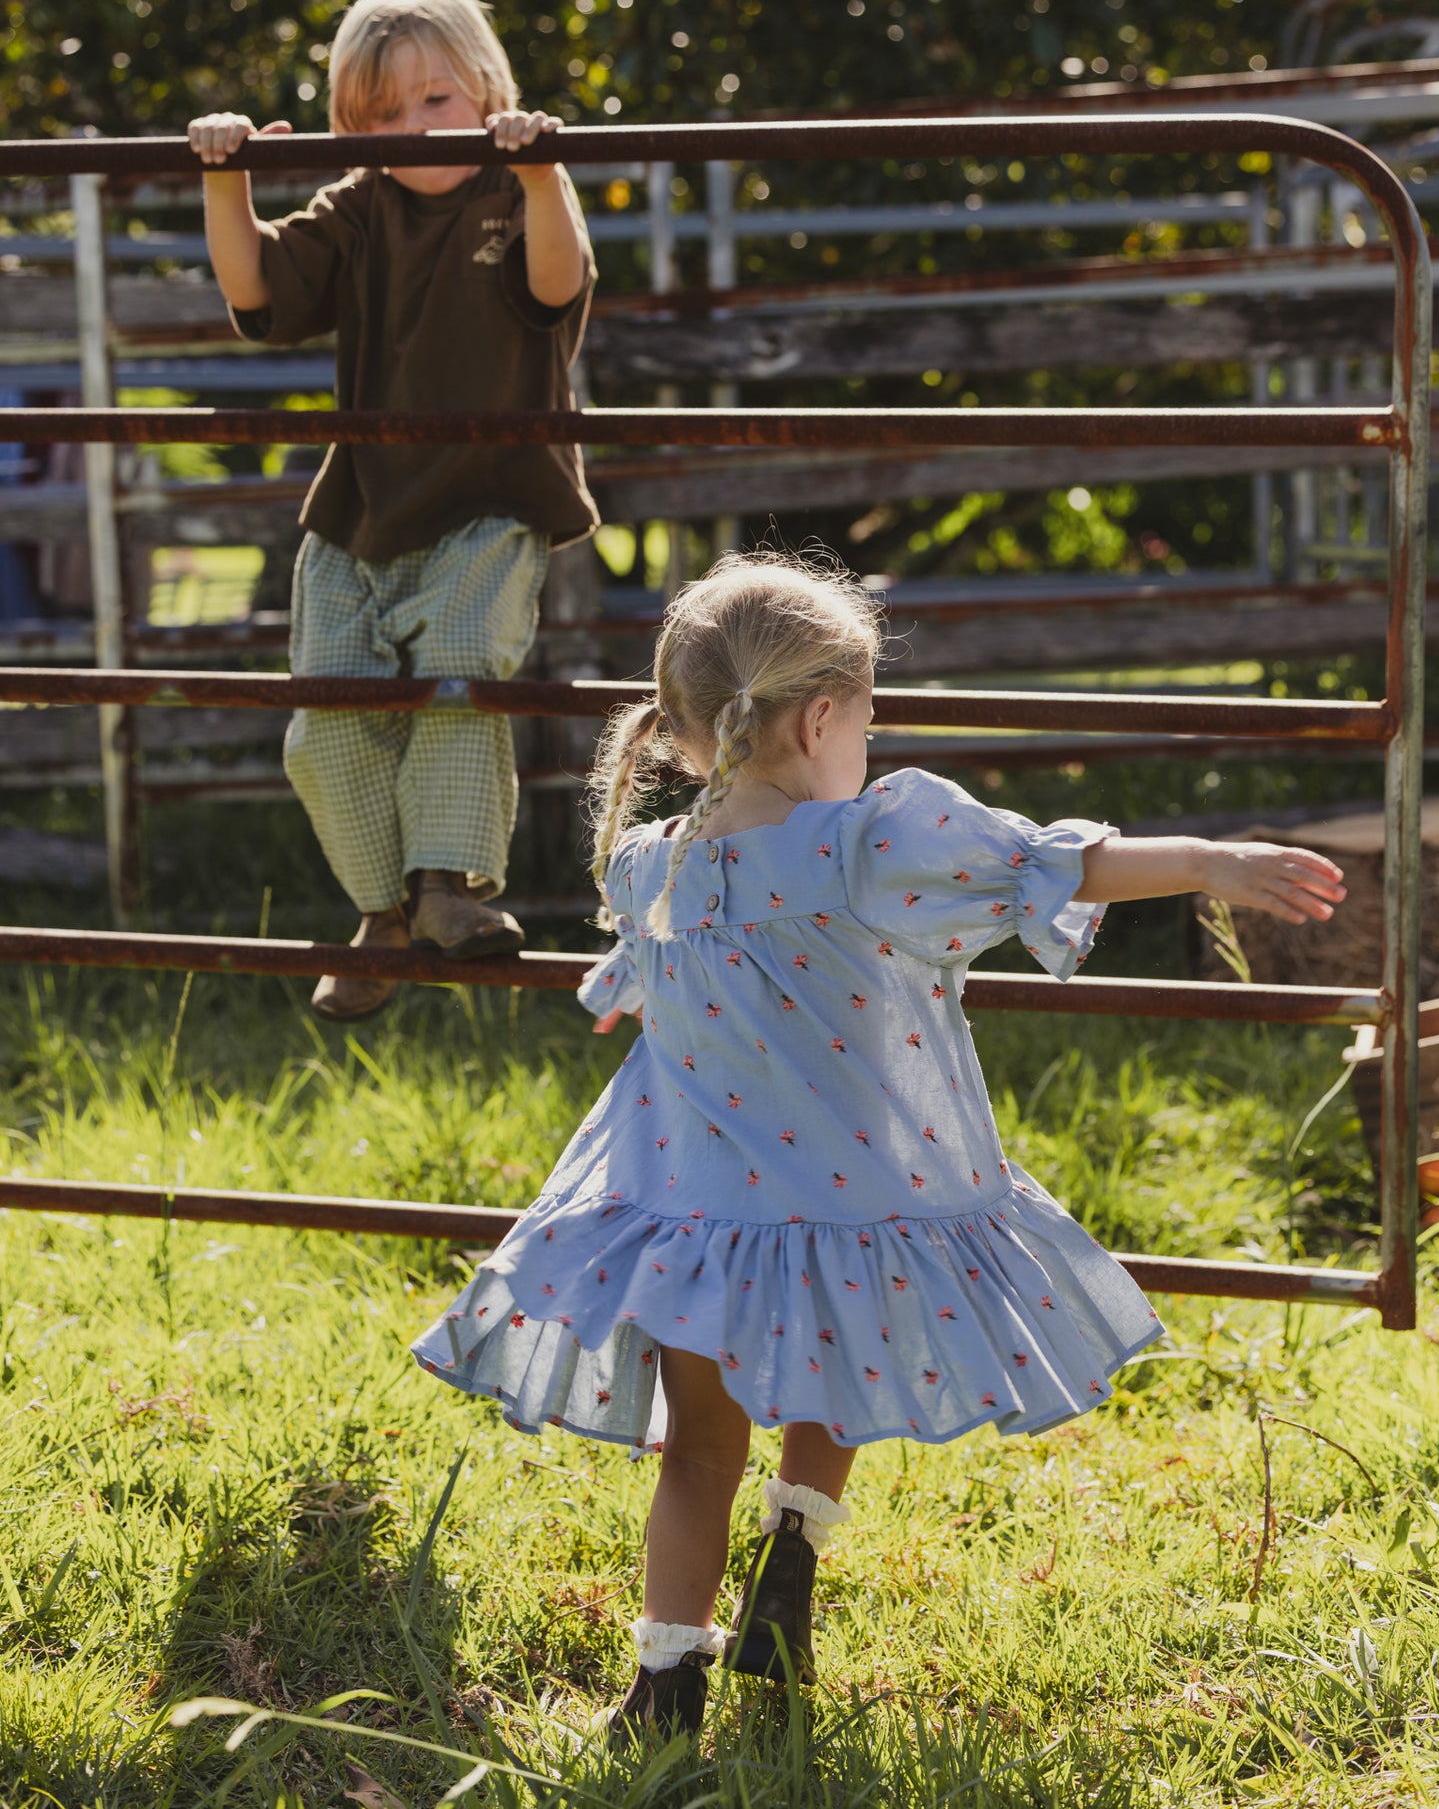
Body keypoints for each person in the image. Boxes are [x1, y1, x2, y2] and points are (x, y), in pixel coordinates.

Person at [412, 551, 1347, 1738]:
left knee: (696, 1451)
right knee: (841, 1360)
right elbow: (1052, 862)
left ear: (693, 728)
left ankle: (663, 1683)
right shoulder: (865, 840)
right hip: (858, 1192)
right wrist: (1211, 861)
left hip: (697, 1213)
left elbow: (649, 972)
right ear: (818, 717)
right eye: (863, 717)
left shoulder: (654, 861)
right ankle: (790, 1562)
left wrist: (633, 987)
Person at [188, 0, 598, 1020]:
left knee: (458, 676)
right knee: (323, 718)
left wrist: (544, 174)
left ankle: (447, 888)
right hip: (361, 509)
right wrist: (227, 180)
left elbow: (556, 285)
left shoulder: (516, 195)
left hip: (488, 503)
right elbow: (258, 291)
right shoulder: (358, 207)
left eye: (437, 101)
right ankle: (380, 912)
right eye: (380, 114)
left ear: (488, 93)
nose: (413, 128)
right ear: (347, 128)